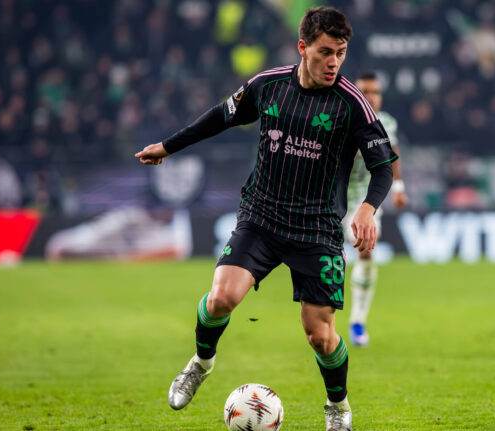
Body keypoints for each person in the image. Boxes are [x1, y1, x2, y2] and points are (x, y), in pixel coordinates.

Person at [134, 7, 397, 431]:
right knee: (221, 297)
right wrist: (168, 146)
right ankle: (201, 363)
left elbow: (383, 166)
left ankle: (338, 407)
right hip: (262, 215)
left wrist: (367, 207)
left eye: (341, 53)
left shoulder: (353, 104)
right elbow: (221, 116)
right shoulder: (267, 86)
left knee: (319, 334)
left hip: (317, 229)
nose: (334, 62)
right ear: (303, 47)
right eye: (326, 52)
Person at [344, 73, 408, 347]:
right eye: (365, 91)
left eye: (376, 91)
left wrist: (398, 187)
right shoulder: (342, 117)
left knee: (366, 250)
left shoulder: (388, 122)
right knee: (329, 256)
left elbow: (393, 153)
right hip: (336, 196)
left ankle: (358, 321)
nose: (371, 97)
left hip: (368, 197)